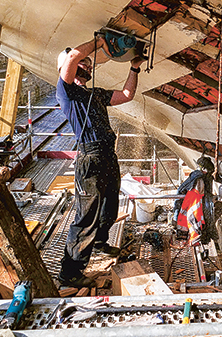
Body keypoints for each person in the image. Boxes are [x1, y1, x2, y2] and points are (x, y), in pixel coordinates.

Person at [56, 36, 143, 288]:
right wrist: (100, 41)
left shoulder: (94, 94)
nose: (88, 66)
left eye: (89, 64)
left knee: (109, 205)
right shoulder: (67, 92)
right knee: (86, 217)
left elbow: (126, 95)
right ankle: (70, 272)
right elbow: (72, 56)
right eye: (85, 64)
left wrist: (134, 68)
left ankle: (100, 242)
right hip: (90, 158)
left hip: (107, 155)